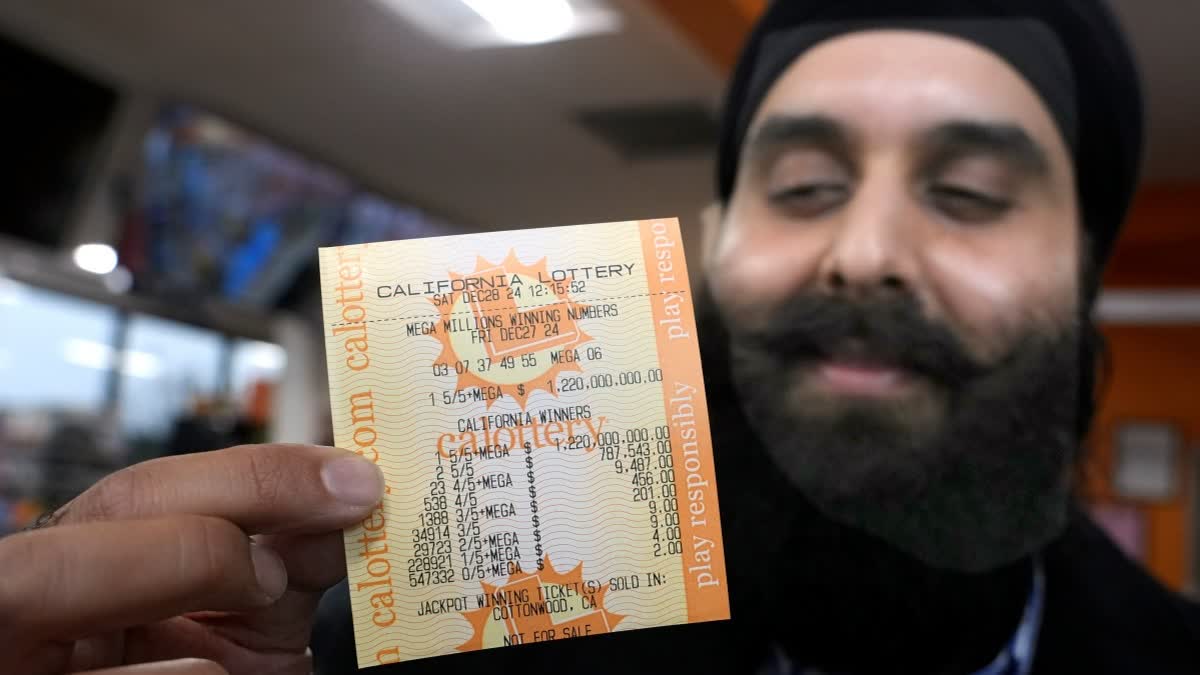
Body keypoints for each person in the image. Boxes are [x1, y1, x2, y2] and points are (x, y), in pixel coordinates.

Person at [4, 2, 1198, 674]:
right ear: (717, 244)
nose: (863, 251)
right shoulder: (368, 659)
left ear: (1083, 268)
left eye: (973, 194)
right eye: (803, 186)